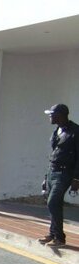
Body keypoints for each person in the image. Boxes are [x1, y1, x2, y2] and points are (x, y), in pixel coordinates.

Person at [38, 103, 79, 247]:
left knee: (53, 202)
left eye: (52, 114)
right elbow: (54, 154)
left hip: (65, 172)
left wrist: (76, 178)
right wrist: (46, 176)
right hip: (52, 171)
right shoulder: (57, 131)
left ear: (60, 115)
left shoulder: (75, 131)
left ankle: (60, 238)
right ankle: (53, 233)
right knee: (53, 203)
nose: (49, 116)